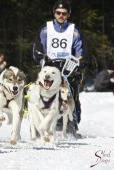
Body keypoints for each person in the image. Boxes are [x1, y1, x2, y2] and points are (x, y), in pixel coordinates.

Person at [32, 0, 83, 137]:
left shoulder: (74, 30)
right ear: (54, 13)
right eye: (58, 13)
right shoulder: (45, 29)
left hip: (68, 66)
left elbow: (81, 50)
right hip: (50, 65)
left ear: (69, 14)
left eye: (64, 13)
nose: (61, 16)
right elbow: (37, 48)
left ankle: (72, 123)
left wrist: (79, 62)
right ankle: (39, 124)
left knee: (71, 91)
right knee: (43, 92)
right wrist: (42, 60)